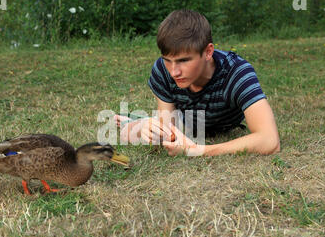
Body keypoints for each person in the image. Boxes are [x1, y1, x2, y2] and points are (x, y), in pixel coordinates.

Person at [114, 9, 280, 156]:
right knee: (129, 133)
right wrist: (150, 131)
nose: (174, 72)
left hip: (221, 126)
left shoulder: (236, 72)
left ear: (208, 52)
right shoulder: (162, 70)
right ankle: (133, 121)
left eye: (184, 61)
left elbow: (270, 141)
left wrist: (198, 150)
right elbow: (170, 131)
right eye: (167, 60)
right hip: (185, 123)